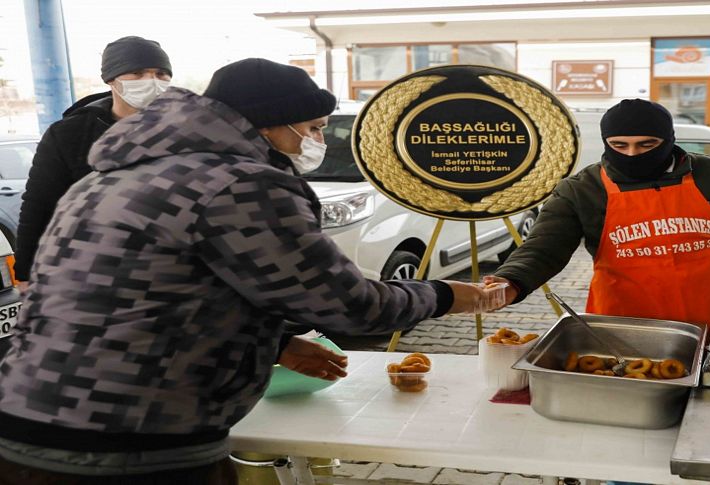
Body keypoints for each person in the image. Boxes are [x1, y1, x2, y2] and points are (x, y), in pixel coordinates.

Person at [0, 58, 483, 484]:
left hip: (27, 422)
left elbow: (128, 300)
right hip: (130, 443)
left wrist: (272, 343)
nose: (315, 141)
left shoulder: (107, 181)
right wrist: (445, 295)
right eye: (312, 128)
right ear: (270, 125)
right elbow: (351, 306)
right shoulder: (238, 184)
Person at [487, 99, 710, 327]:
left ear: (669, 140)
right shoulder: (582, 189)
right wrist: (511, 281)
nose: (632, 154)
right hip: (626, 326)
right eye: (619, 145)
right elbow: (543, 248)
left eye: (648, 144)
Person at [14, 36, 173, 292]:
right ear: (112, 79)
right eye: (138, 73)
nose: (152, 81)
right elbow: (39, 205)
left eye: (161, 74)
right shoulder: (70, 134)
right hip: (91, 272)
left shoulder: (185, 129)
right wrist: (27, 271)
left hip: (170, 270)